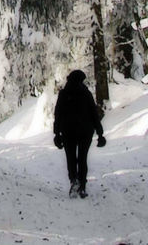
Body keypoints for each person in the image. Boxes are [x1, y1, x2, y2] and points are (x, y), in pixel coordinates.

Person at [52, 69, 105, 198]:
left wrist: (57, 134)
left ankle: (73, 180)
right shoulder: (85, 93)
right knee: (82, 158)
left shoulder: (64, 94)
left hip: (67, 132)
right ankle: (82, 184)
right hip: (85, 132)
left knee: (71, 158)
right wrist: (99, 133)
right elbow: (94, 114)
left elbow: (58, 115)